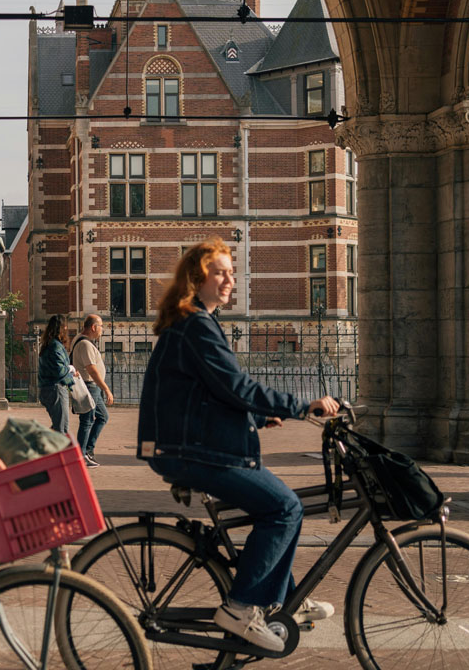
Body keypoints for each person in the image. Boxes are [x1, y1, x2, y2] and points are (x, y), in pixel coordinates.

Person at [138, 238, 340, 653]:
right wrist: (303, 405)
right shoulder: (195, 323)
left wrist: (256, 415)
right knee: (285, 508)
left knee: (286, 509)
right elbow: (235, 384)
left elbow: (209, 393)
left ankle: (280, 601)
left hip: (189, 445)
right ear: (198, 278)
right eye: (221, 272)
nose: (231, 279)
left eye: (232, 272)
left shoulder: (196, 321)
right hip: (192, 451)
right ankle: (242, 606)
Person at [71, 314, 112, 467]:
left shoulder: (80, 340)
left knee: (102, 417)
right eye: (101, 326)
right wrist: (106, 389)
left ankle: (87, 450)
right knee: (87, 421)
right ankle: (82, 455)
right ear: (93, 327)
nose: (102, 329)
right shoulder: (85, 344)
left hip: (91, 387)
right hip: (89, 386)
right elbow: (92, 369)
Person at [37, 314, 75, 433]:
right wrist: (70, 369)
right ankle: (48, 448)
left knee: (57, 425)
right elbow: (59, 371)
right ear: (62, 328)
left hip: (48, 388)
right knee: (61, 428)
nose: (66, 329)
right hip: (56, 389)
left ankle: (45, 447)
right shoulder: (55, 346)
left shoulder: (48, 344)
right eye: (65, 327)